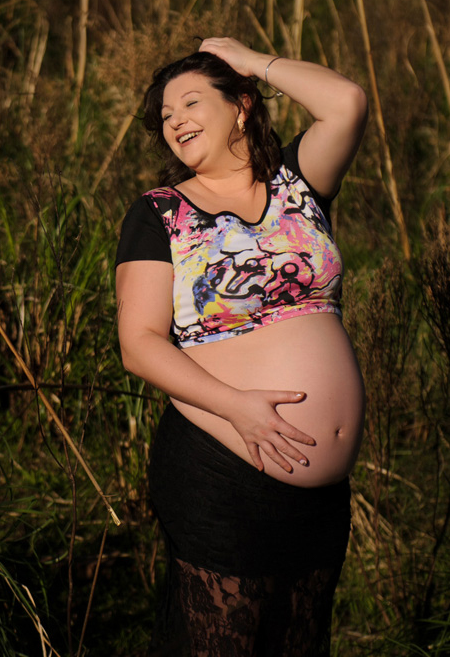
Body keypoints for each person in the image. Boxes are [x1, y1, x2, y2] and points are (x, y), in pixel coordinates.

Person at [115, 37, 368, 656]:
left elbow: (347, 102)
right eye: (165, 115)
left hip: (320, 500)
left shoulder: (298, 183)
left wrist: (251, 61)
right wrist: (236, 406)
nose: (175, 120)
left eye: (191, 102)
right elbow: (139, 344)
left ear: (242, 105)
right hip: (222, 469)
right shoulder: (160, 213)